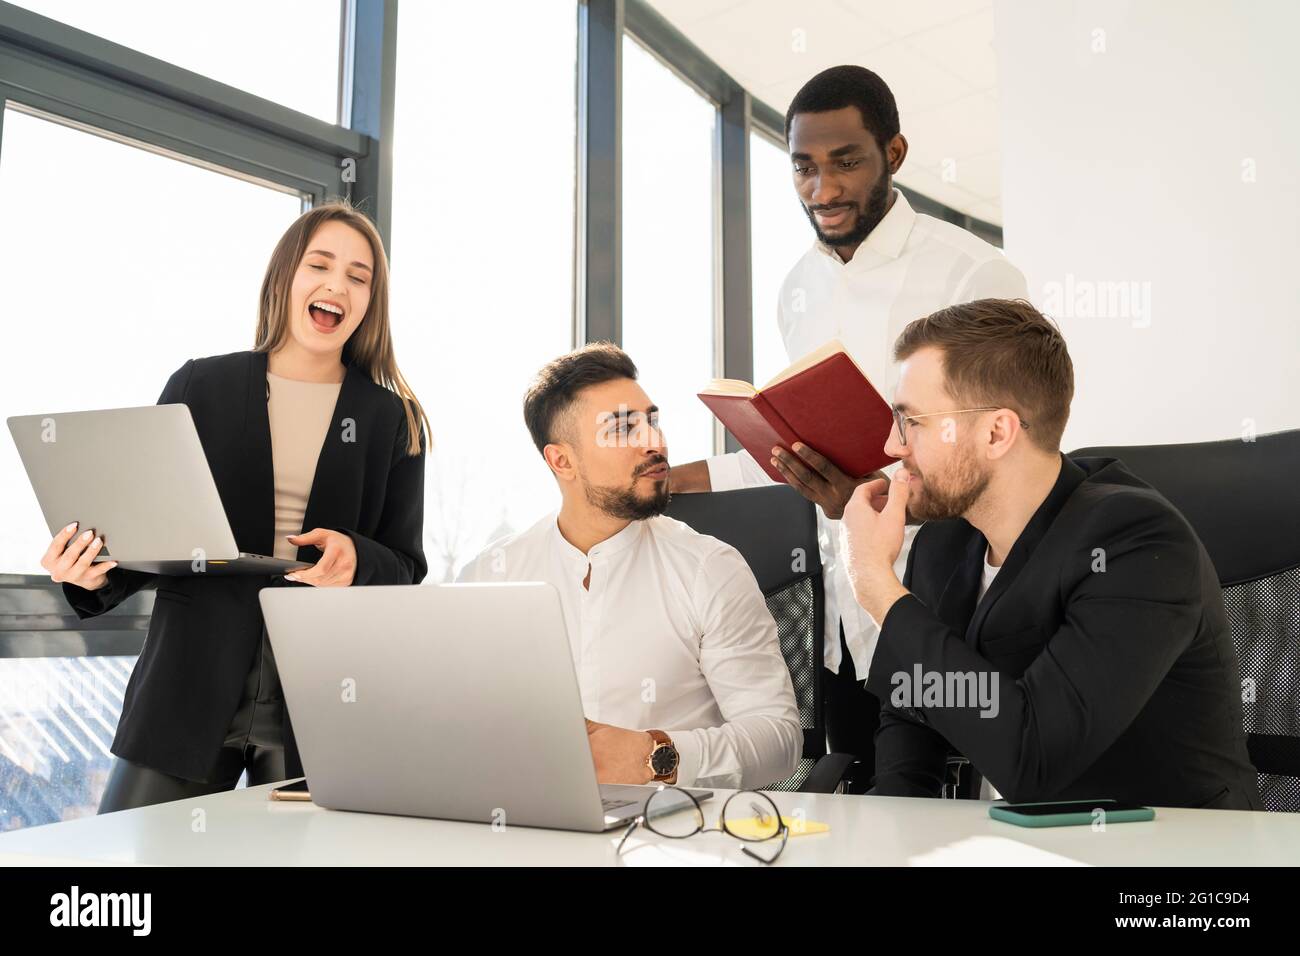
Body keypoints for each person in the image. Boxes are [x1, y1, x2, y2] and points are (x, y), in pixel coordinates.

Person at [670, 65, 1028, 791]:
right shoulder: (797, 287)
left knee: (951, 810)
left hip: (949, 606)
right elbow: (796, 446)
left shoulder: (973, 273)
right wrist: (681, 479)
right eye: (803, 167)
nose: (822, 190)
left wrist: (873, 488)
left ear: (893, 155)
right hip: (845, 619)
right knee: (863, 805)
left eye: (845, 162)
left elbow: (1003, 448)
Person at [45, 201, 429, 812]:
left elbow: (406, 566)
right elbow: (151, 534)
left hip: (320, 702)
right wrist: (90, 570)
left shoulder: (391, 420)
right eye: (320, 265)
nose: (337, 285)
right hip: (188, 686)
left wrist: (356, 557)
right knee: (136, 883)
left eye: (359, 277)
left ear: (370, 302)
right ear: (285, 277)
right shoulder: (201, 386)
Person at [840, 298, 1262, 810]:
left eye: (913, 423)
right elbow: (911, 709)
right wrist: (893, 831)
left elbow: (1033, 759)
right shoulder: (947, 540)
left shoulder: (1135, 542)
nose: (891, 446)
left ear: (997, 432)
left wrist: (877, 587)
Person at [457, 343, 800, 790]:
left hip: (673, 836)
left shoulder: (709, 568)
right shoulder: (490, 578)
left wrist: (656, 755)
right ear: (561, 460)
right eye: (622, 429)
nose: (654, 442)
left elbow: (779, 739)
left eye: (651, 421)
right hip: (528, 825)